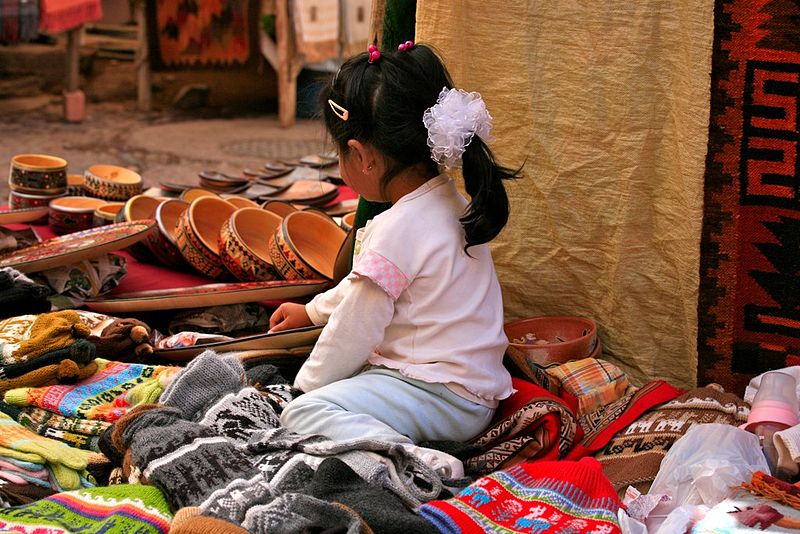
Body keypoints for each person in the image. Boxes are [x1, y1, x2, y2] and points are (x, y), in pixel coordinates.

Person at [269, 41, 520, 476]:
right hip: (469, 394)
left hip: (437, 395)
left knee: (304, 416)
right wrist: (310, 312)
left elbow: (354, 328)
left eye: (339, 154)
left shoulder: (398, 229)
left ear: (362, 157)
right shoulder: (449, 201)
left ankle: (416, 460)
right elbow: (361, 288)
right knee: (335, 390)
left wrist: (304, 389)